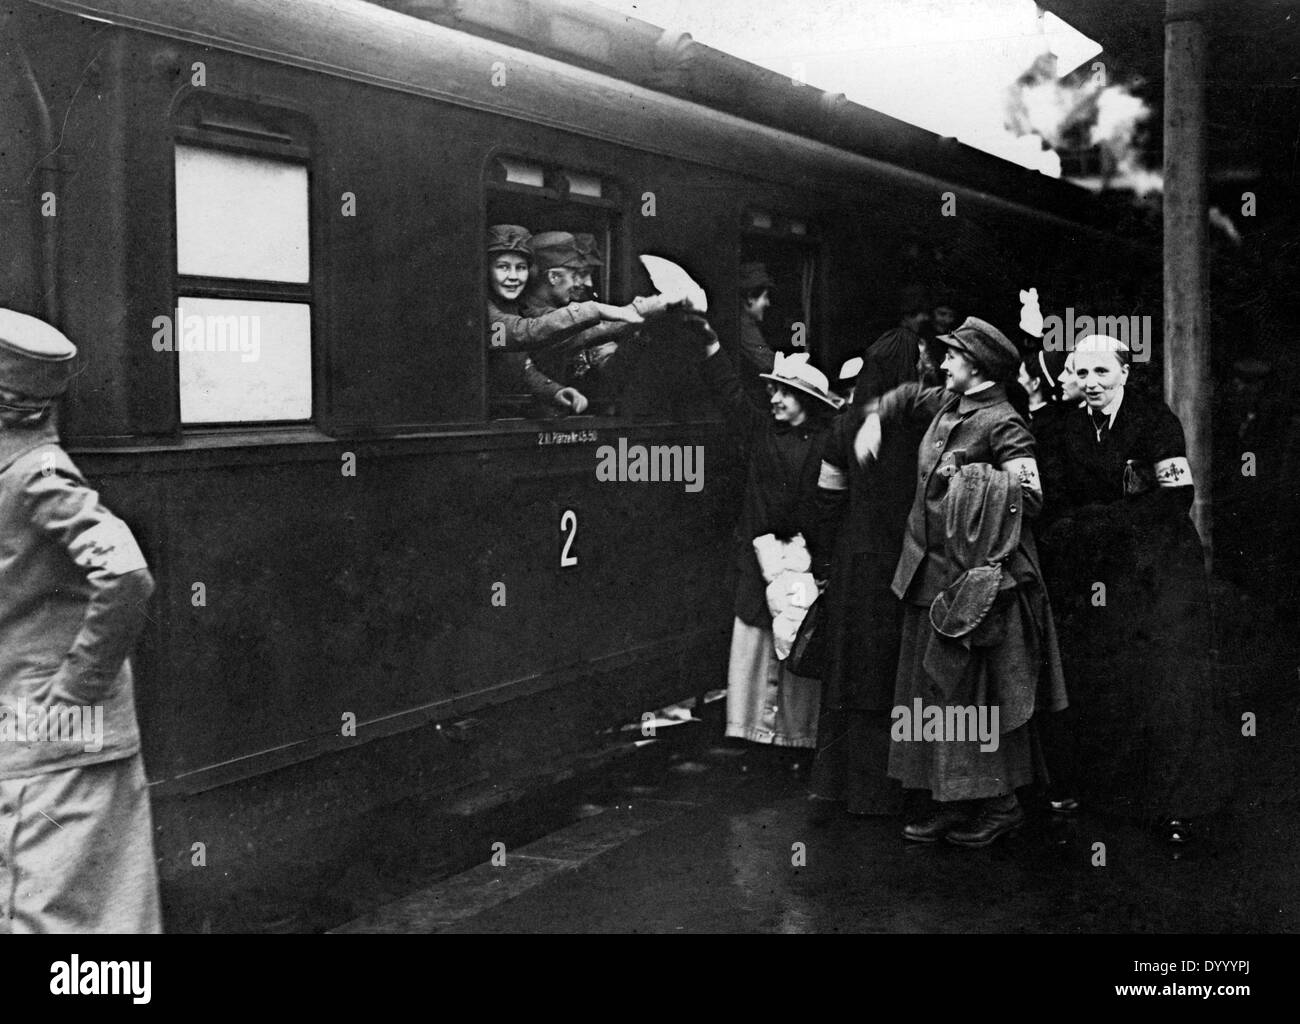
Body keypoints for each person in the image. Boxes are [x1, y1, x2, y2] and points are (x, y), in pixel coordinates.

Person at [855, 316, 1067, 847]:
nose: (941, 363)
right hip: (925, 575)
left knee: (967, 696)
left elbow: (1032, 497)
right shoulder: (947, 403)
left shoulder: (1003, 422)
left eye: (950, 356)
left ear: (975, 366)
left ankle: (999, 805)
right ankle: (948, 800)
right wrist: (874, 418)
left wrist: (970, 479)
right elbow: (906, 395)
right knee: (928, 694)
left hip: (970, 587)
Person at [0, 308, 161, 933]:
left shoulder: (36, 473)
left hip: (49, 739)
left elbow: (125, 573)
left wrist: (73, 691)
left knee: (48, 913)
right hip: (55, 737)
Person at [1037, 334, 1233, 843]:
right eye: (1081, 374)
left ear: (1124, 372)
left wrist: (1095, 521)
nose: (1091, 383)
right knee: (1106, 677)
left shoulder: (1155, 421)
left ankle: (1179, 806)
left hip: (1161, 566)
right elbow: (1056, 498)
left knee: (1170, 679)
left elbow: (1176, 495)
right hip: (1101, 571)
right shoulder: (1066, 429)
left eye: (1102, 372)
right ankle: (1114, 794)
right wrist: (1087, 528)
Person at [688, 315, 842, 753]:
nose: (774, 399)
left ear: (806, 401)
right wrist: (712, 348)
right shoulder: (761, 433)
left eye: (784, 393)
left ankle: (796, 740)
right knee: (757, 645)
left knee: (798, 644)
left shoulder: (827, 444)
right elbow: (731, 396)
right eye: (773, 391)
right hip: (759, 563)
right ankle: (756, 735)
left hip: (804, 564)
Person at [807, 327, 941, 820]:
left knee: (852, 674)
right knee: (897, 676)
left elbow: (826, 500)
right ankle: (899, 790)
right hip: (907, 564)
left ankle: (842, 788)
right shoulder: (924, 427)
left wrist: (832, 555)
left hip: (853, 565)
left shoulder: (843, 428)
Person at [485, 225, 644, 417]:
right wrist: (600, 309)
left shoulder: (516, 307)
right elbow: (522, 332)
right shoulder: (484, 308)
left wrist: (554, 391)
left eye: (521, 268)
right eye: (503, 267)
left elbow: (518, 366)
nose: (513, 277)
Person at [522, 231, 669, 413]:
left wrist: (640, 334)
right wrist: (639, 310)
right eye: (577, 274)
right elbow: (581, 332)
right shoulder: (528, 315)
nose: (586, 283)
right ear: (553, 277)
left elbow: (607, 364)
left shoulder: (566, 308)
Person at [736, 262, 778, 403]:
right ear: (750, 298)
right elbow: (767, 361)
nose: (768, 303)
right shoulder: (743, 324)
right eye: (765, 297)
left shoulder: (745, 321)